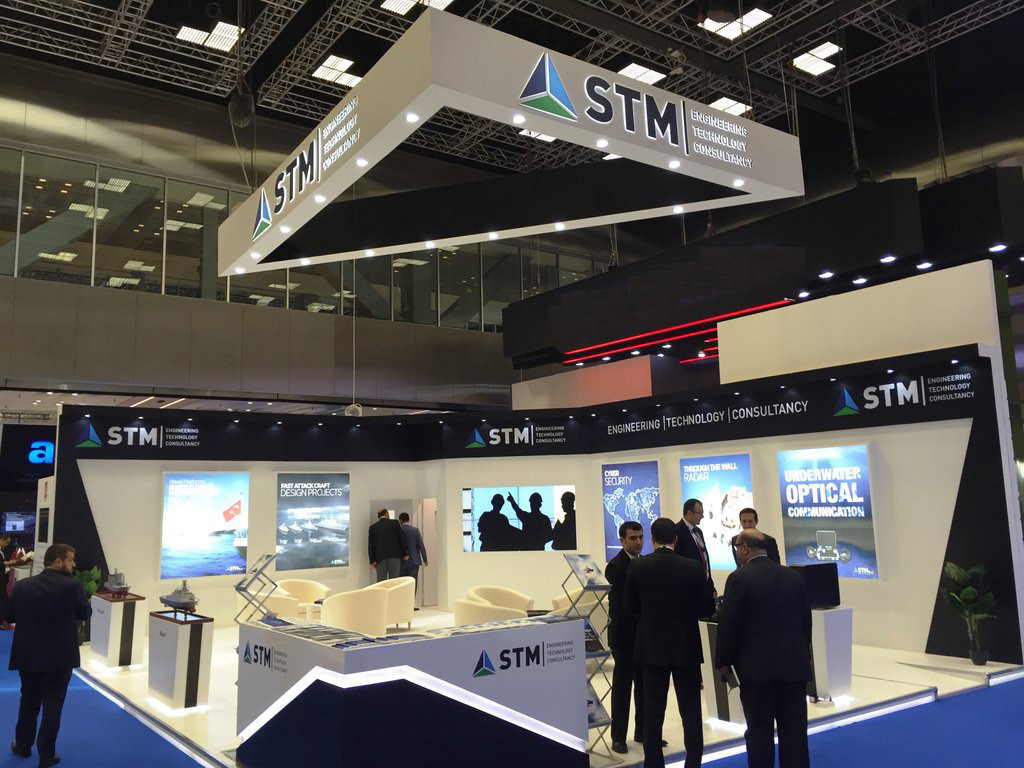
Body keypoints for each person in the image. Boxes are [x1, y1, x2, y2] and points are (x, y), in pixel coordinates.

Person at [715, 530, 812, 768]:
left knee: (759, 734)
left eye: (737, 547)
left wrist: (723, 661)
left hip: (757, 674)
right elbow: (805, 622)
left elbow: (729, 625)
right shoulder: (793, 576)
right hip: (794, 669)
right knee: (795, 734)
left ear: (745, 548)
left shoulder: (739, 578)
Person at [625, 518, 715, 768]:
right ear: (675, 539)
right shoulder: (692, 567)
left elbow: (629, 607)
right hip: (686, 647)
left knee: (653, 715)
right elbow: (706, 607)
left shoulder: (639, 566)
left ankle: (654, 764)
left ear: (652, 539)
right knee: (691, 713)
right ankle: (693, 763)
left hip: (651, 647)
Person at [8, 543, 91, 768]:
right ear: (58, 561)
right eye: (71, 560)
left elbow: (10, 615)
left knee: (28, 701)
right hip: (59, 658)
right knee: (53, 707)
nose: (74, 564)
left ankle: (23, 745)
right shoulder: (73, 586)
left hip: (28, 656)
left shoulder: (22, 586)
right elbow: (85, 613)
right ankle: (46, 755)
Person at [605, 521, 651, 755]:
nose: (638, 542)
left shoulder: (644, 563)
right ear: (622, 540)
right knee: (623, 689)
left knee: (644, 687)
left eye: (641, 537)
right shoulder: (615, 566)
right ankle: (618, 737)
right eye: (633, 538)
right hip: (624, 637)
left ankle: (642, 732)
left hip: (643, 635)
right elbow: (624, 605)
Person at [674, 498, 716, 596]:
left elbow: (704, 558)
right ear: (689, 513)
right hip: (689, 588)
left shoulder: (699, 531)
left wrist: (711, 585)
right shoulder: (676, 531)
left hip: (704, 586)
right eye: (700, 513)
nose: (703, 516)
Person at [368, 509, 408, 582]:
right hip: (394, 556)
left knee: (381, 582)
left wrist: (372, 560)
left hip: (380, 558)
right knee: (394, 581)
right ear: (386, 513)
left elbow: (371, 544)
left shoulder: (373, 527)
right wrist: (405, 553)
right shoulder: (395, 523)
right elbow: (402, 538)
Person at [398, 512, 428, 606]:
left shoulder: (399, 530)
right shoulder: (415, 530)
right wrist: (425, 559)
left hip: (402, 561)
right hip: (414, 561)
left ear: (400, 520)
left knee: (402, 583)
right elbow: (421, 545)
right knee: (412, 583)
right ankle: (411, 604)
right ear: (409, 519)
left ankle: (402, 604)